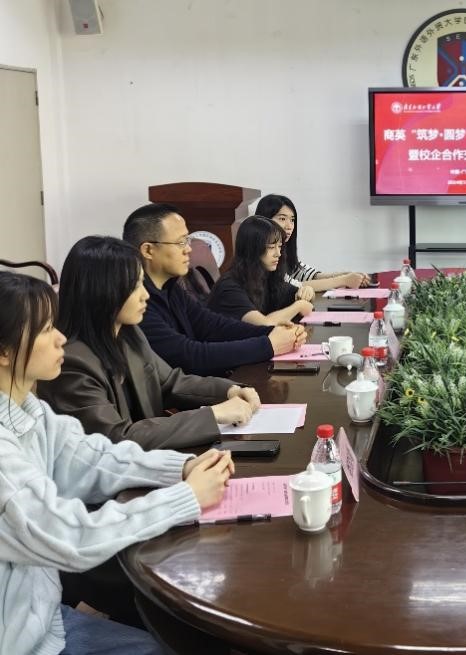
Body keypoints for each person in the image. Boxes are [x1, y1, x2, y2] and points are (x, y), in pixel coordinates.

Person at [0, 270, 234, 655]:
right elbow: (70, 536)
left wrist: (179, 469)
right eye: (45, 330)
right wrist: (186, 498)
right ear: (5, 352)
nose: (60, 338)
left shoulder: (30, 410)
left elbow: (94, 457)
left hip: (45, 619)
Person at [40, 236, 259, 450]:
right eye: (135, 286)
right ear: (102, 291)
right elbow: (118, 439)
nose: (145, 295)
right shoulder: (70, 363)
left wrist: (230, 390)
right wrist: (213, 415)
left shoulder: (128, 334)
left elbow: (171, 383)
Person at [123, 203, 307, 376]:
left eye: (187, 240)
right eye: (180, 243)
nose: (188, 249)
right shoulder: (135, 304)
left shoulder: (171, 288)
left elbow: (214, 326)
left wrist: (272, 332)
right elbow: (189, 356)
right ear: (148, 250)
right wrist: (268, 344)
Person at [208, 216, 315, 325]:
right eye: (271, 247)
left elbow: (293, 294)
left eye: (279, 246)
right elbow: (264, 324)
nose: (278, 253)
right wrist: (298, 306)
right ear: (252, 249)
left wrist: (307, 291)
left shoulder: (265, 276)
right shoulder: (229, 287)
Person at [255, 193, 369, 291]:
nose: (289, 226)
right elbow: (292, 286)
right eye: (282, 219)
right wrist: (343, 280)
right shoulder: (263, 254)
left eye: (292, 220)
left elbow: (306, 274)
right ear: (265, 220)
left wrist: (346, 275)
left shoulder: (283, 250)